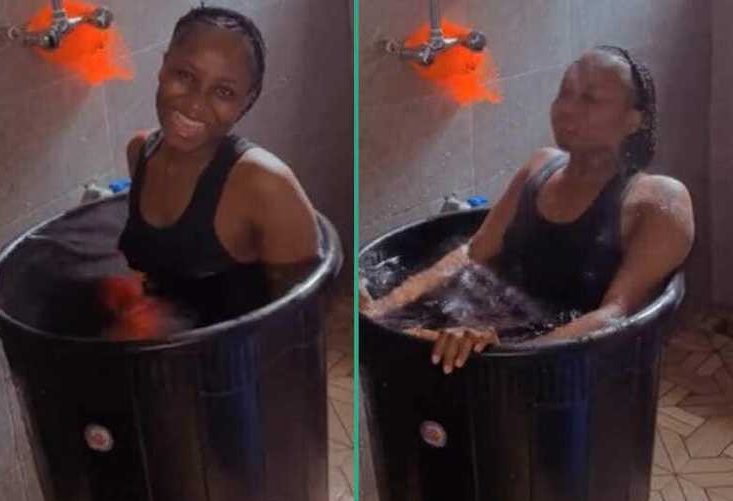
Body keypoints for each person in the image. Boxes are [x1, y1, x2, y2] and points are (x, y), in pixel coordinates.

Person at [360, 46, 694, 374]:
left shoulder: (656, 201)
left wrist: (505, 356)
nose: (566, 109)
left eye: (589, 99)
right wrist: (386, 308)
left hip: (570, 374)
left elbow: (616, 314)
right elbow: (473, 253)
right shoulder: (540, 166)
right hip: (486, 329)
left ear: (635, 120)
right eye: (564, 94)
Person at [110, 6, 321, 335]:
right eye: (185, 76)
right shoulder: (139, 152)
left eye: (223, 92)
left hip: (235, 375)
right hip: (159, 363)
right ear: (164, 66)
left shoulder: (264, 184)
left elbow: (298, 320)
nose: (194, 104)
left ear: (247, 101)